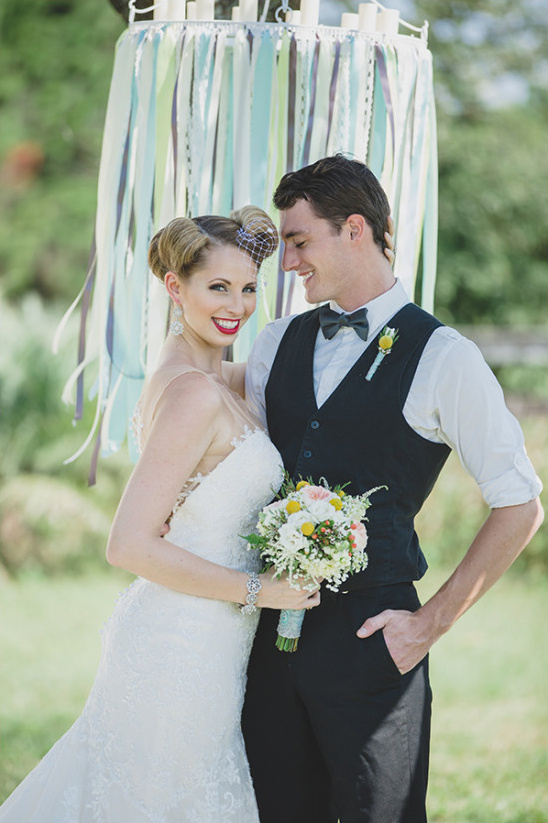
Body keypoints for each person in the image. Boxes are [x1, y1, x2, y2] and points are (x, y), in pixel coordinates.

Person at [242, 155, 543, 823]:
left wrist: (427, 625)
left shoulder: (444, 356)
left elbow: (521, 502)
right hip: (265, 639)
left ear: (354, 229)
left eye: (298, 242)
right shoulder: (273, 344)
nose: (287, 264)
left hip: (372, 640)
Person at [0, 207, 322, 823]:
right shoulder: (194, 393)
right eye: (218, 287)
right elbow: (127, 545)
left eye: (250, 287)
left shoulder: (218, 377)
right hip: (180, 643)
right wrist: (263, 589)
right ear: (176, 287)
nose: (238, 305)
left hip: (213, 640)